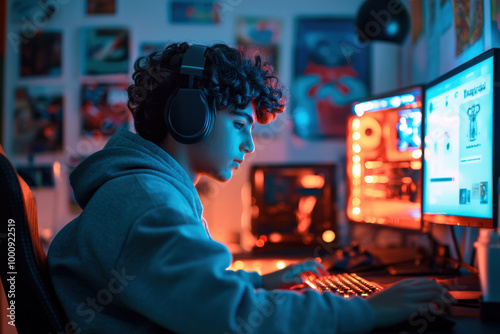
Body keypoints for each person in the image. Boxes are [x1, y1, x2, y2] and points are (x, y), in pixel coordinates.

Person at [48, 42, 455, 334]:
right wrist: (367, 311)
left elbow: (187, 289)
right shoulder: (150, 204)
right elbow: (227, 316)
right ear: (191, 118)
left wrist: (260, 282)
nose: (249, 144)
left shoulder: (146, 190)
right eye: (240, 123)